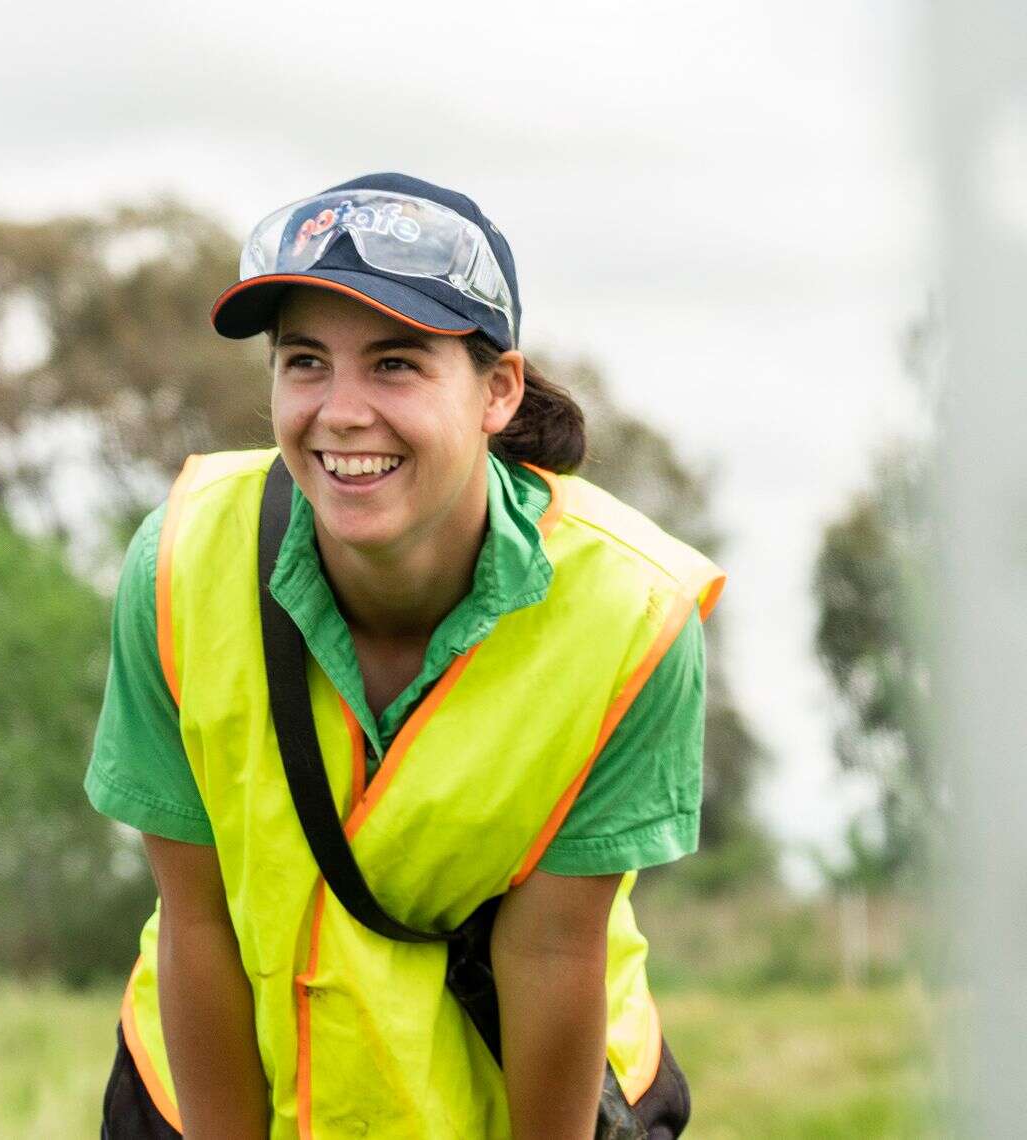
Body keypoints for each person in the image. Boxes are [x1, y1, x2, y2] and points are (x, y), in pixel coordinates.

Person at [85, 172, 723, 1139]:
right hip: (213, 1092)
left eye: (395, 365)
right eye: (304, 362)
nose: (340, 411)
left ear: (497, 390)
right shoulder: (176, 563)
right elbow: (199, 920)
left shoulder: (631, 617)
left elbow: (553, 957)